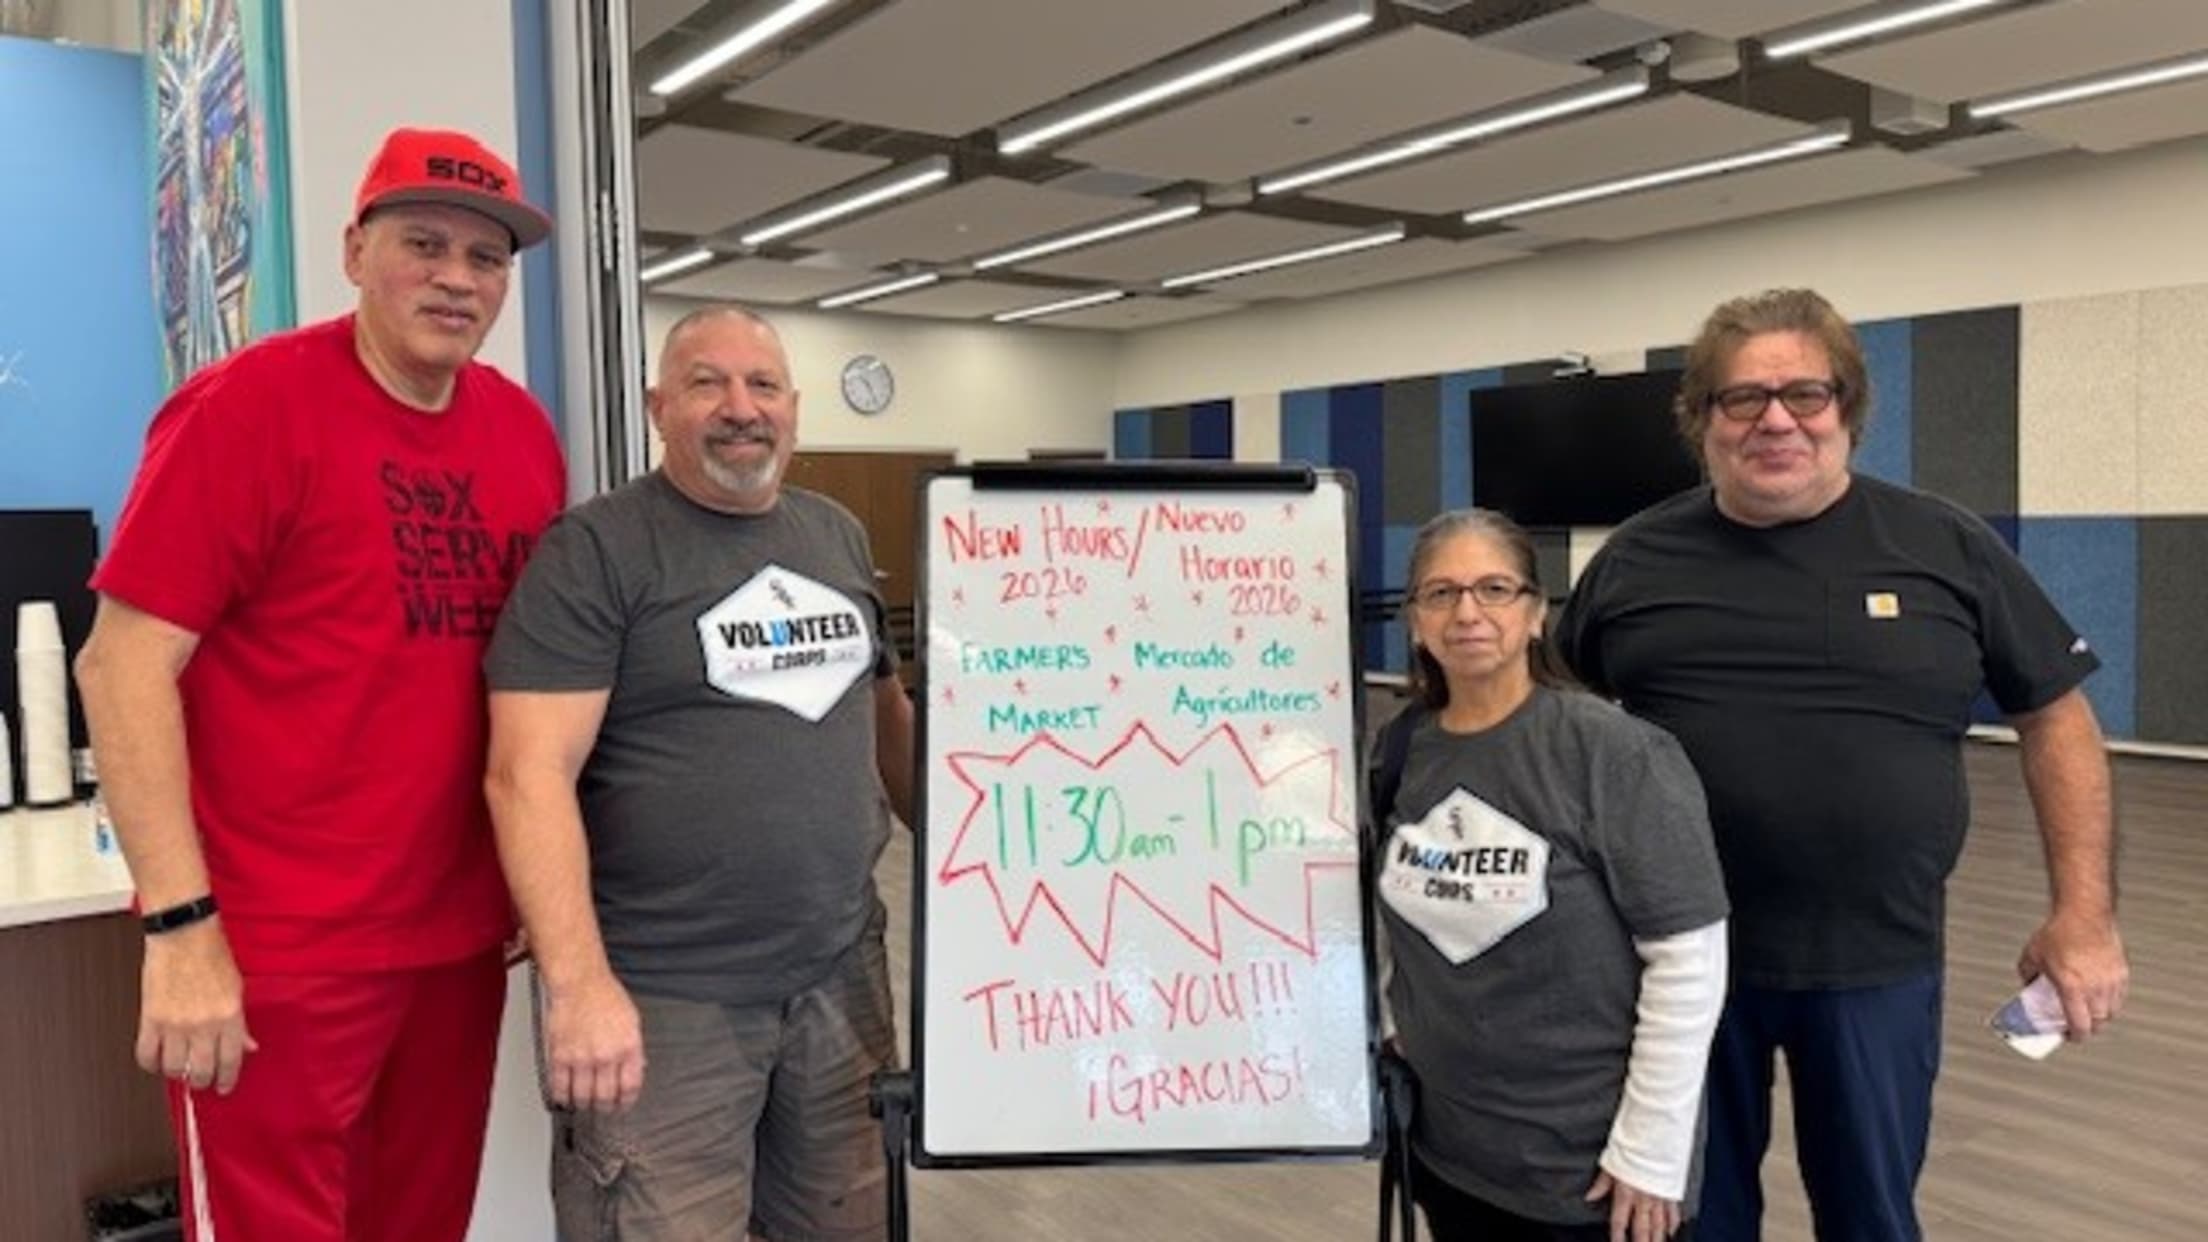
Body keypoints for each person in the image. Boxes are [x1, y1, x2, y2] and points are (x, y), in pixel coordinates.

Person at [1553, 287, 2130, 1241]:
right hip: (1680, 961)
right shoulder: (1638, 558)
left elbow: (2057, 719)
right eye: (1742, 399)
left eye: (1805, 394)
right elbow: (1554, 723)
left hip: (1875, 961)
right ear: (1702, 420)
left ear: (1847, 412)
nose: (1776, 418)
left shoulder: (1944, 546)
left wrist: (2083, 914)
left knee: (1869, 1216)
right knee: (1689, 1216)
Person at [74, 127, 565, 1241]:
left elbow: (523, 683)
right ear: (354, 252)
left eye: (486, 258)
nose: (456, 276)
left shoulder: (523, 436)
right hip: (275, 948)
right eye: (423, 243)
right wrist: (181, 927)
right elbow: (120, 663)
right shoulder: (246, 409)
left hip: (456, 941)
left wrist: (528, 883)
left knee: (420, 1224)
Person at [483, 303, 916, 1241]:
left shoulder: (834, 535)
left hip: (841, 981)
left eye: (762, 384)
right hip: (663, 1000)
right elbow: (526, 776)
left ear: (793, 407)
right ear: (657, 406)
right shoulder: (597, 551)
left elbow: (886, 720)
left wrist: (998, 865)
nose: (739, 407)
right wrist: (580, 985)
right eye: (705, 383)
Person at [1372, 508, 1730, 1242]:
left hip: (1590, 1171)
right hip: (1451, 1150)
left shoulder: (1612, 751)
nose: (1467, 612)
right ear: (1415, 621)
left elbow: (1688, 959)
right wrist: (1392, 1020)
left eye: (1494, 589)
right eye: (1440, 594)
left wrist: (1650, 1154)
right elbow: (1391, 914)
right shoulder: (1404, 747)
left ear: (1535, 614)